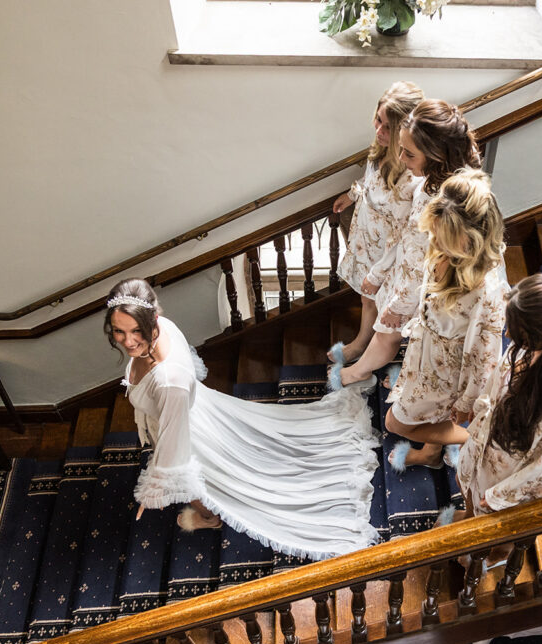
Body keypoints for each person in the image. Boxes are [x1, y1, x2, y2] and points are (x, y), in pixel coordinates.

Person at [105, 278, 380, 560]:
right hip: (196, 408)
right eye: (119, 331)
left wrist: (155, 489)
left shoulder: (168, 380)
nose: (128, 341)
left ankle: (209, 518)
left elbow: (176, 456)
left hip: (185, 428)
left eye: (136, 331)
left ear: (150, 321)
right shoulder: (164, 326)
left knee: (192, 479)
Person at [333, 99, 482, 391]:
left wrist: (399, 304)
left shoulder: (448, 204)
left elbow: (428, 261)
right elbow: (406, 237)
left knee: (389, 332)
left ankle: (361, 372)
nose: (400, 158)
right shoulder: (427, 180)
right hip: (406, 271)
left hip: (430, 285)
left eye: (409, 153)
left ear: (436, 154)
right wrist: (379, 273)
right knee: (394, 330)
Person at [384, 168, 508, 470]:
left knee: (394, 424)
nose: (434, 244)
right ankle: (430, 454)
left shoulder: (487, 296)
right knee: (432, 415)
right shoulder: (444, 248)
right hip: (424, 355)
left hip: (448, 373)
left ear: (469, 242)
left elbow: (484, 360)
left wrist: (466, 404)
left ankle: (476, 437)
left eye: (443, 240)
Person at [456, 273, 542, 523]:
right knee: (466, 485)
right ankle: (466, 514)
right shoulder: (537, 344)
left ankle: (492, 555)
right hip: (492, 435)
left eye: (517, 332)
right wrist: (482, 404)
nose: (508, 334)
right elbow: (501, 372)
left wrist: (501, 495)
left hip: (509, 469)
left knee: (486, 517)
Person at [330, 82, 425, 366]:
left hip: (390, 252)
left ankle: (377, 355)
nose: (378, 130)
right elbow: (371, 179)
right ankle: (362, 341)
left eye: (387, 127)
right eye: (378, 120)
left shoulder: (415, 174)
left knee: (385, 307)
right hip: (366, 236)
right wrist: (352, 194)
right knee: (365, 297)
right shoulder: (381, 147)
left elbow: (414, 231)